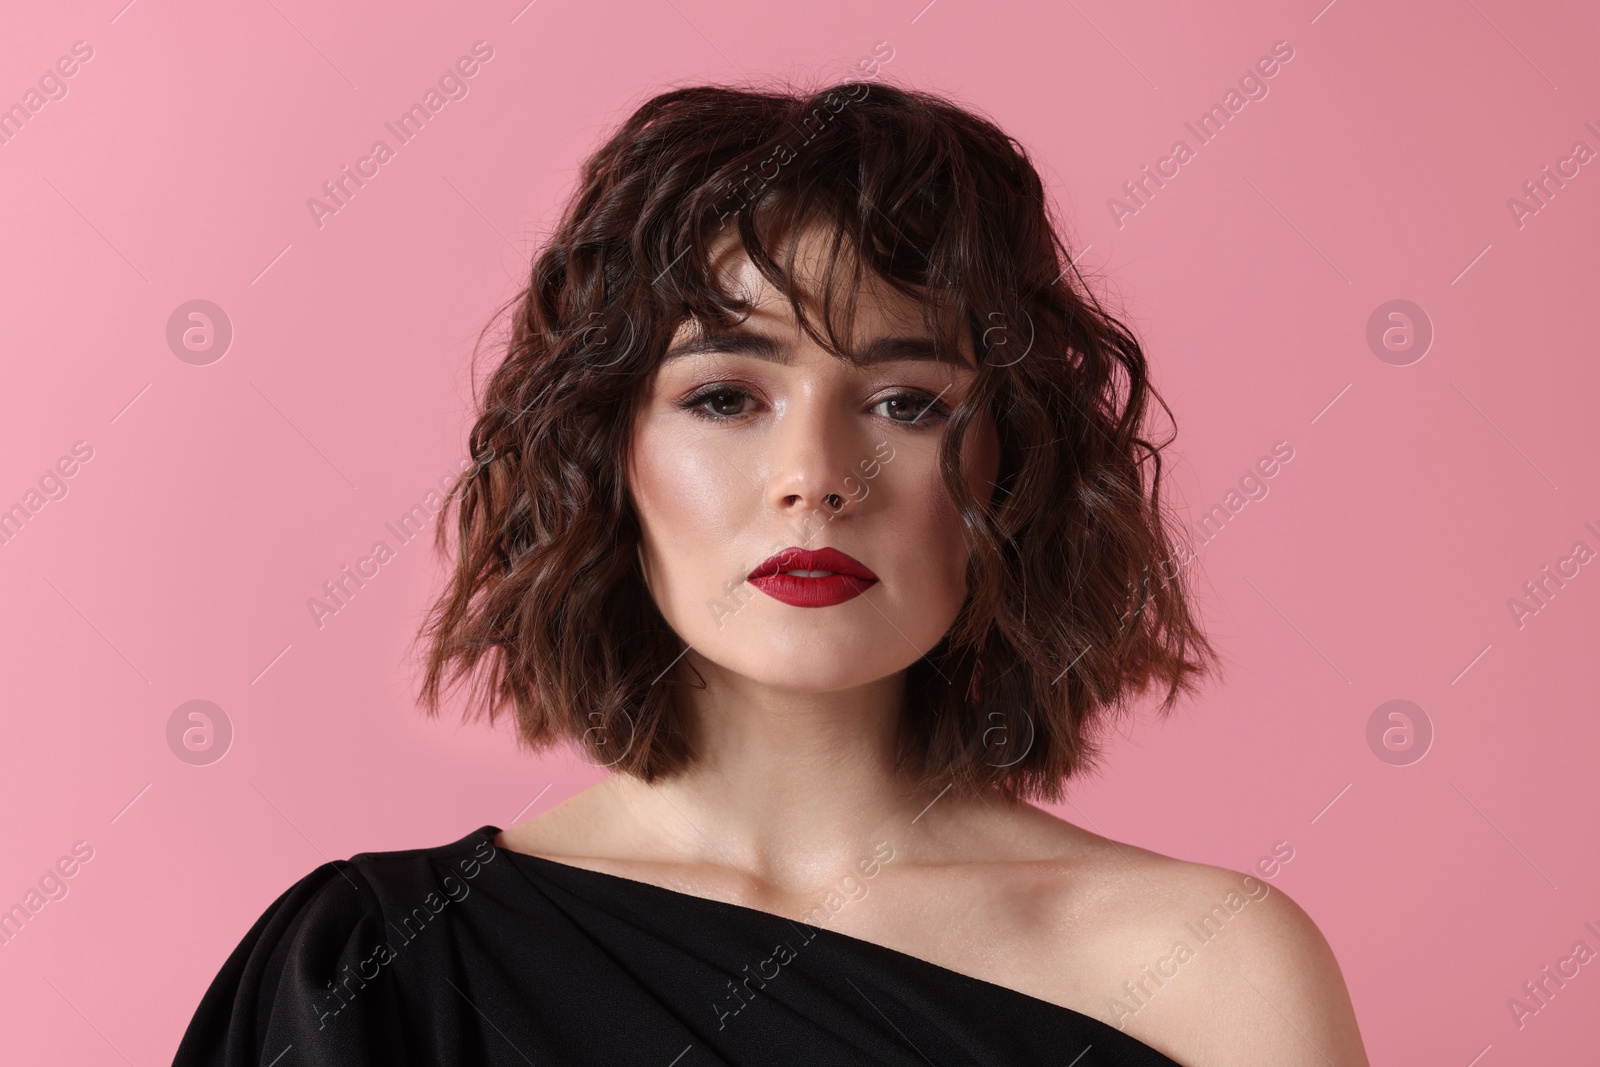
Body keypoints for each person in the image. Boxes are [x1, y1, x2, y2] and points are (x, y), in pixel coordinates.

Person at [174, 80, 1370, 1066]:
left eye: (906, 401)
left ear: (1010, 468)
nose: (814, 477)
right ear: (608, 457)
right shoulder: (380, 970)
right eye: (724, 397)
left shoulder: (1213, 969)